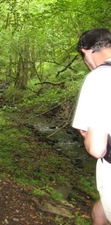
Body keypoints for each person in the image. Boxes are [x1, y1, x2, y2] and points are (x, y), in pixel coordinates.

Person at [73, 28, 111, 225]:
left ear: (86, 51)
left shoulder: (99, 77)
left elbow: (97, 148)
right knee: (99, 212)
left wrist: (88, 136)